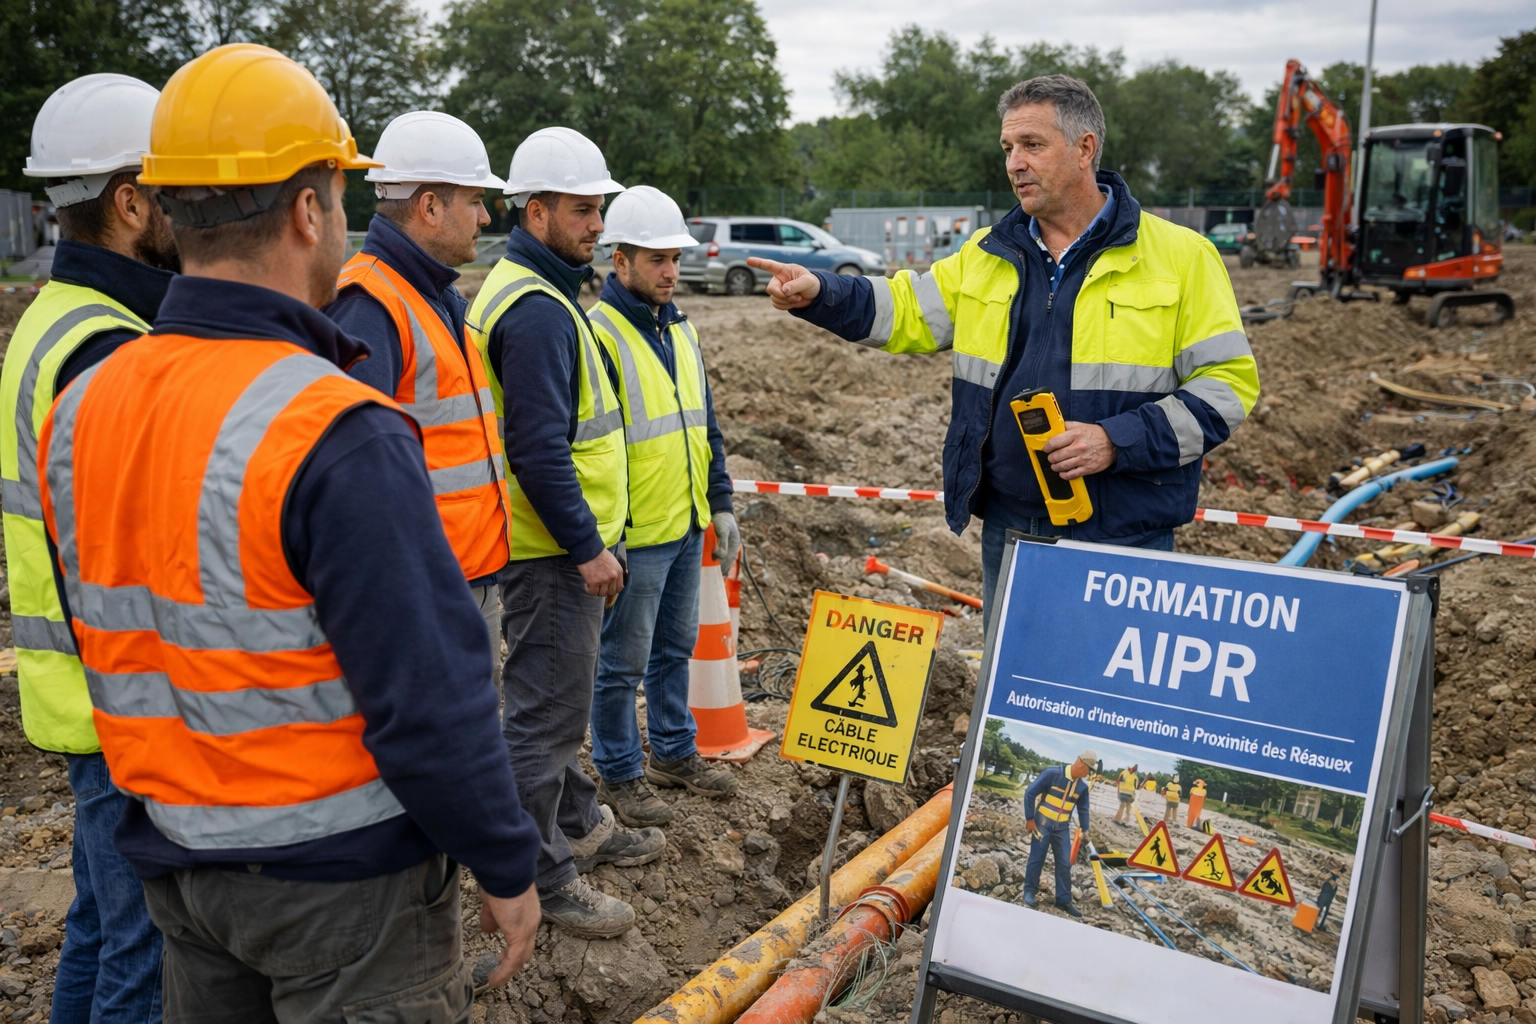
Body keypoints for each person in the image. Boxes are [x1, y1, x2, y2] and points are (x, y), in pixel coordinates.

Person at [36, 44, 542, 1020]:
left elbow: (120, 628)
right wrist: (503, 859)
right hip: (344, 891)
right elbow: (430, 698)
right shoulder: (332, 426)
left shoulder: (85, 405)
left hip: (179, 868)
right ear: (310, 210)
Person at [746, 75, 1258, 626]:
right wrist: (821, 291)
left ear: (1084, 148)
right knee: (1010, 700)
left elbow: (1226, 387)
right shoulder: (988, 253)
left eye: (1032, 145)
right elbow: (905, 310)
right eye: (1009, 148)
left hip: (1122, 534)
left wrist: (1116, 440)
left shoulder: (1182, 257)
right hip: (1013, 528)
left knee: (1108, 703)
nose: (1015, 163)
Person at [4, 71, 174, 1024]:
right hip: (121, 704)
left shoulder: (58, 319)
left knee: (101, 929)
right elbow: (134, 553)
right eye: (179, 191)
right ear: (129, 200)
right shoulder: (106, 348)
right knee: (140, 959)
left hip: (80, 693)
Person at [465, 127, 663, 938]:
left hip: (545, 546)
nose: (596, 225)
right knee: (544, 719)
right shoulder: (539, 312)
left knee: (552, 707)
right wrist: (587, 546)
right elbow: (538, 448)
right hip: (549, 554)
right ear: (534, 210)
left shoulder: (532, 291)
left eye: (600, 209)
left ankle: (576, 820)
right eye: (583, 210)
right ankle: (540, 874)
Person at [325, 110, 511, 678]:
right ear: (429, 206)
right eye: (474, 201)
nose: (484, 216)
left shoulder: (432, 294)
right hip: (424, 596)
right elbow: (352, 482)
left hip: (460, 579)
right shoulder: (371, 304)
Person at [584, 186, 739, 827]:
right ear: (619, 262)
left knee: (674, 650)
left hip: (684, 520)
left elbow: (705, 425)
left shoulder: (682, 329)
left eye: (675, 258)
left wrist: (722, 502)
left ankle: (673, 752)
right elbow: (591, 447)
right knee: (620, 664)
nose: (671, 271)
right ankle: (619, 770)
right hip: (635, 533)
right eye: (656, 260)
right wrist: (606, 536)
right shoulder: (600, 335)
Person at [1022, 750, 1095, 917]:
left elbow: (1083, 809)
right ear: (1080, 764)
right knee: (1037, 857)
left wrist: (1085, 829)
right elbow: (1030, 793)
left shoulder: (1082, 787)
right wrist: (1030, 818)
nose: (1088, 774)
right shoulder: (1052, 773)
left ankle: (1063, 899)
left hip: (1062, 827)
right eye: (1088, 769)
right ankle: (1029, 891)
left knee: (1064, 861)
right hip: (1042, 823)